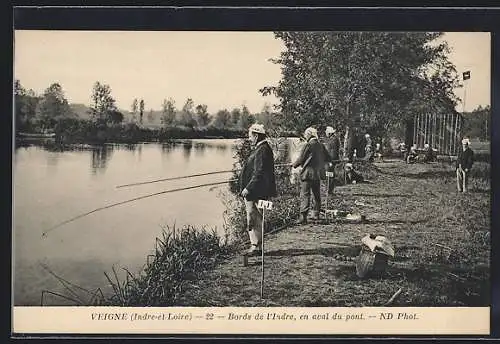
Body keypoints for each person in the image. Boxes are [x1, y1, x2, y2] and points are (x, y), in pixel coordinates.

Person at [239, 123, 277, 255]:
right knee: (256, 217)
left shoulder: (262, 149)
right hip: (257, 190)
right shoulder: (262, 148)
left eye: (250, 136)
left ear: (256, 136)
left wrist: (248, 188)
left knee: (253, 217)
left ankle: (255, 246)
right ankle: (257, 246)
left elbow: (259, 172)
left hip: (255, 191)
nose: (249, 139)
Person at [292, 127, 328, 224]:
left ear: (309, 134)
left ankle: (303, 217)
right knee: (316, 195)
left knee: (305, 194)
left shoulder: (308, 145)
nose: (305, 136)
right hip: (317, 174)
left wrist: (294, 165)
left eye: (306, 134)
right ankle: (315, 214)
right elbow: (328, 157)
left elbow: (301, 159)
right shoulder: (321, 145)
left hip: (307, 173)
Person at [323, 126, 340, 194]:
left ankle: (329, 190)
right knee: (329, 174)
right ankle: (329, 189)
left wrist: (330, 161)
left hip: (330, 160)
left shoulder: (333, 140)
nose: (326, 134)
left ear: (329, 133)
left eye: (327, 133)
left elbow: (333, 152)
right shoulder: (332, 139)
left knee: (330, 174)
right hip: (329, 160)